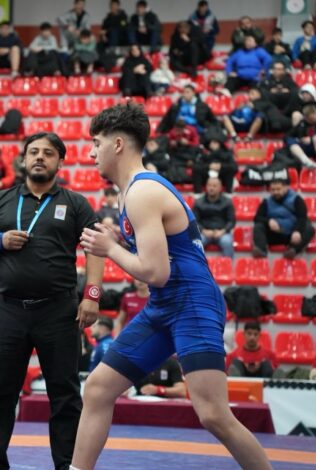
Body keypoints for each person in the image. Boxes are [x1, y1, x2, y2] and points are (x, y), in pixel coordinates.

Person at [73, 104, 271, 470]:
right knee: (98, 389)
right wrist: (121, 242)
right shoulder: (133, 191)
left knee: (213, 414)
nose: (91, 153)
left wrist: (111, 249)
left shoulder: (142, 192)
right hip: (165, 305)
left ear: (118, 144)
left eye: (96, 143)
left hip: (192, 302)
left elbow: (156, 272)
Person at [0, 131, 104, 470]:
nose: (40, 157)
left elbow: (96, 247)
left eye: (48, 153)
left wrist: (92, 295)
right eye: (34, 152)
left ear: (60, 162)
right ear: (24, 159)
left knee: (65, 394)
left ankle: (68, 464)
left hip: (59, 312)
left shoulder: (75, 203)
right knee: (0, 391)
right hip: (8, 311)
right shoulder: (0, 200)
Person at [252, 178, 315, 259]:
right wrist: (268, 221)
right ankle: (261, 250)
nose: (275, 192)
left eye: (278, 189)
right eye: (273, 190)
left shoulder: (296, 199)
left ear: (286, 188)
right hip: (274, 234)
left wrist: (297, 231)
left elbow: (302, 217)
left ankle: (293, 250)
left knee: (309, 228)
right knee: (258, 226)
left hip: (292, 235)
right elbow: (257, 218)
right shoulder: (266, 202)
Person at [193, 177, 235, 258]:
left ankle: (229, 265)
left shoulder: (227, 202)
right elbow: (194, 221)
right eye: (209, 185)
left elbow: (231, 221)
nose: (211, 188)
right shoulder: (198, 202)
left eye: (214, 186)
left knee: (227, 242)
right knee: (196, 243)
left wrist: (223, 231)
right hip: (204, 233)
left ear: (220, 187)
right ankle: (196, 265)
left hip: (222, 233)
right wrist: (203, 230)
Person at [285, 104, 316, 169]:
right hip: (307, 147)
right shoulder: (303, 123)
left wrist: (311, 139)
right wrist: (300, 139)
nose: (310, 121)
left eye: (311, 119)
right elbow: (289, 134)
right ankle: (306, 161)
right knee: (291, 142)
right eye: (308, 119)